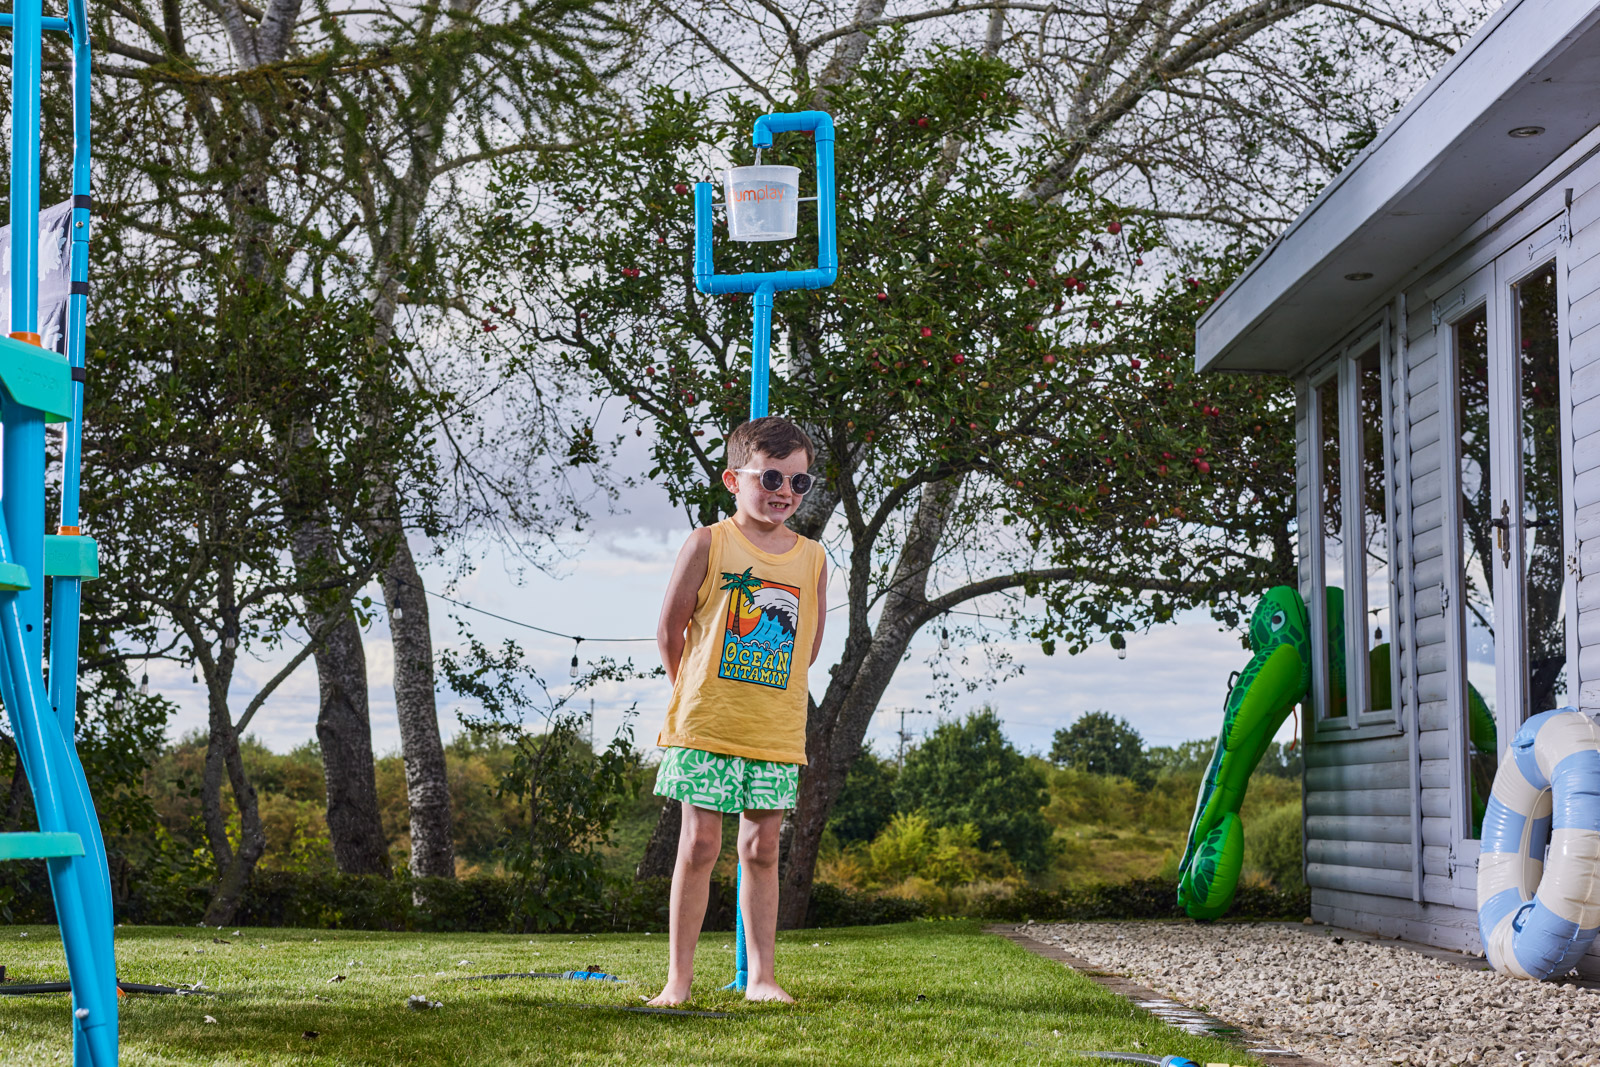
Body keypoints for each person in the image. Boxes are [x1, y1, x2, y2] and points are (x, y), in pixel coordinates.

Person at [646, 416, 827, 1006]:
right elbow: (669, 631)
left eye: (798, 482)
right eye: (771, 477)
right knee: (700, 845)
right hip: (706, 725)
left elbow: (808, 646)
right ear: (734, 480)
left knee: (762, 850)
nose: (784, 491)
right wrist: (695, 695)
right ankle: (677, 982)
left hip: (773, 730)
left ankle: (762, 979)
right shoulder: (708, 543)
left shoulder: (813, 558)